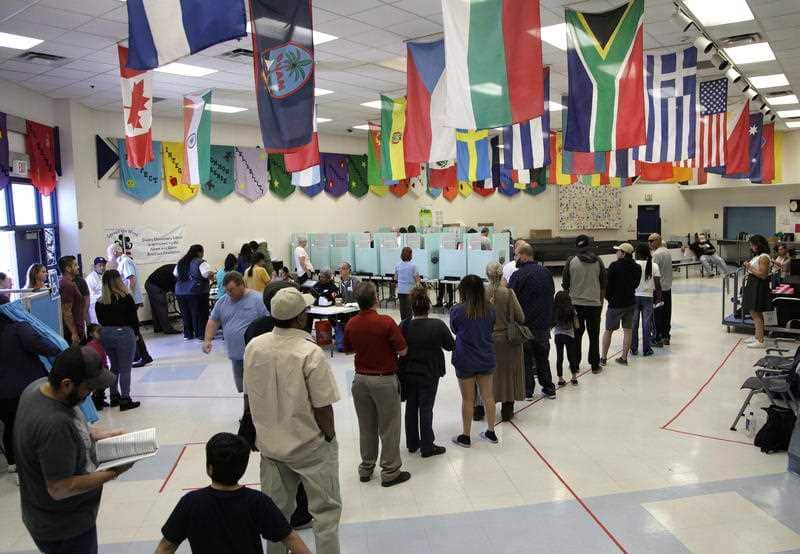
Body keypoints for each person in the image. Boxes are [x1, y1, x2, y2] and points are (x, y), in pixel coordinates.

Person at [244, 288, 342, 554]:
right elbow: (323, 406)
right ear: (300, 319)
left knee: (275, 517)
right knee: (326, 514)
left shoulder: (255, 346)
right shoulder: (309, 353)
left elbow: (249, 395)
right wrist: (329, 437)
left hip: (272, 449)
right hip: (310, 447)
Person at [13, 346, 127, 554]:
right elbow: (60, 488)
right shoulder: (54, 424)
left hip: (47, 517)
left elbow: (66, 429)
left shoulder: (39, 388)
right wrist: (113, 472)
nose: (91, 394)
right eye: (89, 388)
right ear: (67, 384)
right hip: (64, 528)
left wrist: (95, 434)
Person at [156, 433, 311, 554]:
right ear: (242, 469)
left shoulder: (191, 502)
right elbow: (291, 538)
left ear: (210, 468)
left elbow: (166, 547)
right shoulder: (257, 502)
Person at [243, 281, 313, 530]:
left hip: (265, 411)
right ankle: (302, 514)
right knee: (302, 466)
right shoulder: (304, 345)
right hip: (293, 409)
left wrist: (248, 415)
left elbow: (248, 378)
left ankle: (278, 519)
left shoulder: (253, 334)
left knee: (275, 472)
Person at [344, 282, 411, 487]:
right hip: (384, 380)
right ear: (375, 299)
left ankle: (366, 468)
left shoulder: (351, 323)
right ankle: (390, 471)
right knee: (389, 426)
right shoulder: (386, 322)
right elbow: (403, 351)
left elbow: (347, 350)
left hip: (360, 380)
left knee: (366, 426)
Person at [0, 308, 60, 476]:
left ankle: (14, 464)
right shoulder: (18, 328)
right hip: (28, 387)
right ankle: (40, 462)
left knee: (11, 425)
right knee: (37, 424)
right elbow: (39, 345)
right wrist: (59, 350)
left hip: (3, 394)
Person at [397, 287, 454, 457]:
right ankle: (427, 446)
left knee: (411, 407)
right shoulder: (437, 325)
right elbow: (450, 345)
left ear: (412, 307)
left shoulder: (405, 325)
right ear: (428, 307)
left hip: (408, 373)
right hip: (430, 373)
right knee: (426, 408)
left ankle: (412, 443)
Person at [450, 275, 497, 447]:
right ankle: (491, 432)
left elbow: (455, 329)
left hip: (465, 359)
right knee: (488, 396)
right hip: (485, 357)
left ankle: (466, 436)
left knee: (468, 399)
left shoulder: (457, 311)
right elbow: (491, 328)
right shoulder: (491, 309)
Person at [203, 272, 267, 394]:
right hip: (236, 355)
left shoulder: (258, 299)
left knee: (257, 389)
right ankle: (247, 411)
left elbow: (269, 323)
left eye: (231, 290)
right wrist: (207, 340)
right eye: (226, 290)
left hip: (255, 356)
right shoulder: (222, 302)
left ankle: (255, 412)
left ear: (242, 284)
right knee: (242, 389)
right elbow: (214, 320)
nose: (228, 293)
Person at [508, 243, 556, 400]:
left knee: (526, 359)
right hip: (543, 325)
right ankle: (549, 388)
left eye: (516, 255)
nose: (515, 258)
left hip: (525, 326)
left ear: (524, 255)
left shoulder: (518, 275)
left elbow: (510, 300)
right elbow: (551, 295)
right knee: (543, 358)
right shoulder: (546, 273)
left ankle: (528, 391)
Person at [94, 269, 142, 411]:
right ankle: (125, 399)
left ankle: (114, 396)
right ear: (118, 281)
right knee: (125, 368)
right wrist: (136, 334)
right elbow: (133, 319)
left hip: (106, 334)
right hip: (124, 334)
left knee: (114, 367)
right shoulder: (126, 297)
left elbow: (101, 321)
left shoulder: (99, 302)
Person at [561, 235, 607, 374]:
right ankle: (594, 365)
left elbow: (565, 284)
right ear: (589, 246)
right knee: (594, 336)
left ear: (577, 247)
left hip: (576, 305)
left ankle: (574, 365)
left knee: (576, 335)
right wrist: (600, 302)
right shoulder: (598, 261)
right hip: (594, 304)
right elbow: (604, 284)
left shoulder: (571, 261)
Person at [485, 262, 525, 422]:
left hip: (486, 339)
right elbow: (521, 317)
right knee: (508, 374)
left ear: (487, 275)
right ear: (502, 275)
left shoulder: (482, 293)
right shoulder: (508, 293)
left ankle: (481, 409)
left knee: (485, 376)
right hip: (506, 340)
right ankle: (507, 411)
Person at [601, 243, 642, 366]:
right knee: (628, 330)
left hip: (615, 304)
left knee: (608, 330)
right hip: (630, 303)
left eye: (618, 251)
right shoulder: (637, 268)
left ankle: (603, 358)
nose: (616, 253)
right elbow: (636, 284)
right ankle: (624, 358)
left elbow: (608, 286)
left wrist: (609, 298)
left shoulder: (614, 266)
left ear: (623, 253)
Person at [175, 245, 213, 340]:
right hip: (196, 291)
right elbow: (206, 274)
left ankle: (188, 335)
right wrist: (211, 274)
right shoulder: (200, 262)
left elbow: (175, 274)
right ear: (199, 252)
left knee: (185, 313)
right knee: (200, 313)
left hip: (180, 292)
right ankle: (201, 334)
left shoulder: (181, 262)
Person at [742, 234, 773, 349]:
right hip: (753, 284)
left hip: (758, 285)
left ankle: (760, 340)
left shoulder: (764, 257)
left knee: (756, 313)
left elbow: (763, 275)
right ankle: (757, 336)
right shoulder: (758, 256)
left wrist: (749, 267)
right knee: (753, 311)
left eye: (752, 244)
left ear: (758, 245)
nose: (751, 246)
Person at [631, 244, 661, 357]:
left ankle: (633, 348)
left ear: (637, 253)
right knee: (646, 324)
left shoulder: (634, 264)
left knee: (634, 324)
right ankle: (647, 349)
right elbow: (658, 285)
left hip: (634, 296)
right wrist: (658, 298)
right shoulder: (654, 266)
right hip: (648, 297)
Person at [649, 234, 673, 347]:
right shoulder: (667, 252)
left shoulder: (657, 254)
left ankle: (657, 338)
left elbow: (652, 272)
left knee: (657, 314)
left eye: (651, 240)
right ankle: (666, 336)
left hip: (658, 289)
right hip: (667, 288)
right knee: (667, 313)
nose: (649, 243)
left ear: (658, 241)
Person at [552, 291, 580, 386]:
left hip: (558, 335)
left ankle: (560, 378)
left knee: (559, 357)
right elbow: (577, 325)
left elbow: (552, 323)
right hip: (570, 336)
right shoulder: (572, 310)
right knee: (571, 356)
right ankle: (574, 377)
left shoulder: (555, 310)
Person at [58, 256, 87, 346]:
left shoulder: (67, 283)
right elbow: (66, 311)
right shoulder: (68, 285)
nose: (78, 267)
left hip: (77, 327)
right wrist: (74, 333)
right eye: (75, 265)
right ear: (68, 269)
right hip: (71, 332)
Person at [145, 263, 180, 334]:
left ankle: (158, 328)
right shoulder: (177, 271)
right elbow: (175, 288)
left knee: (156, 308)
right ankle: (168, 329)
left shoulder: (175, 267)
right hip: (155, 286)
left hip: (150, 283)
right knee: (162, 307)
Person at [86, 324, 111, 411]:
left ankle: (100, 399)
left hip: (103, 368)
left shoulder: (100, 343)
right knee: (97, 387)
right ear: (91, 334)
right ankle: (96, 401)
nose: (101, 333)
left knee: (102, 386)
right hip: (96, 370)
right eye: (98, 332)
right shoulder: (91, 345)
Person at [395, 246, 421, 321]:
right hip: (410, 291)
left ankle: (403, 326)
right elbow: (417, 280)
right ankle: (408, 327)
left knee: (402, 310)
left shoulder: (397, 265)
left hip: (400, 290)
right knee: (409, 311)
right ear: (410, 255)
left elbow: (396, 278)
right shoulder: (413, 266)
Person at [84, 257, 106, 325]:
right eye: (100, 265)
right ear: (95, 266)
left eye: (104, 265)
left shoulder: (105, 276)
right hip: (94, 308)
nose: (102, 267)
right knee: (97, 327)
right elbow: (90, 296)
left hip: (104, 306)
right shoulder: (90, 278)